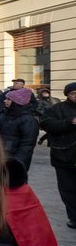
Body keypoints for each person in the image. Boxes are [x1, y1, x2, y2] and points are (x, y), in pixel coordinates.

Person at [0, 87, 40, 171]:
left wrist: (17, 163)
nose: (5, 101)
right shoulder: (2, 113)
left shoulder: (28, 120)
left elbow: (27, 146)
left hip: (12, 160)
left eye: (9, 99)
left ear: (17, 102)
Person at [41, 83, 76, 229]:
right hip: (64, 155)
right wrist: (70, 123)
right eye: (74, 93)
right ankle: (74, 217)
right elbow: (47, 124)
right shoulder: (55, 109)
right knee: (68, 189)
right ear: (67, 94)